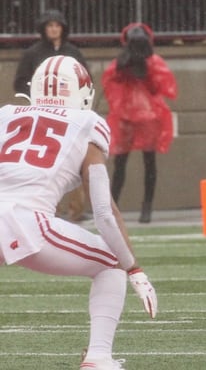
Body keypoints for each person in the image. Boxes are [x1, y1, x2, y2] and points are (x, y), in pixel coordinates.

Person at [0, 55, 158, 370]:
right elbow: (103, 211)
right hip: (27, 221)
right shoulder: (88, 124)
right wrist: (134, 268)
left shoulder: (6, 114)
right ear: (83, 93)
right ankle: (99, 357)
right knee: (111, 261)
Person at [13, 8, 90, 223]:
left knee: (74, 161)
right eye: (50, 26)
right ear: (43, 29)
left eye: (57, 26)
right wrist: (37, 99)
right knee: (46, 162)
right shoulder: (32, 53)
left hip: (71, 116)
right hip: (43, 117)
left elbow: (85, 79)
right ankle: (48, 208)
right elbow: (20, 82)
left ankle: (76, 210)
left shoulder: (73, 52)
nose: (54, 29)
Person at [101, 23, 178, 224]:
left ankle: (147, 207)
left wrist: (147, 71)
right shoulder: (120, 61)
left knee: (149, 162)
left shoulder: (154, 62)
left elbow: (164, 88)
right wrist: (122, 68)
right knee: (120, 163)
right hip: (125, 118)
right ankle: (112, 206)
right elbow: (109, 84)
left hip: (148, 117)